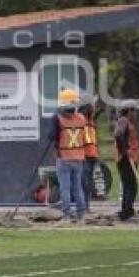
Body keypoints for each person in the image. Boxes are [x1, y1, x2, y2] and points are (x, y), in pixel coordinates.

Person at [45, 89, 87, 221]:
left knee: (65, 188)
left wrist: (55, 118)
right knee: (78, 187)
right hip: (79, 158)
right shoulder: (81, 118)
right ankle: (81, 214)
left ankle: (67, 215)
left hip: (64, 158)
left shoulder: (58, 119)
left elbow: (51, 136)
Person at [113, 100, 139, 221]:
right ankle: (127, 211)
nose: (136, 114)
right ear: (129, 110)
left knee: (128, 186)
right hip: (126, 159)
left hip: (130, 158)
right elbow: (118, 135)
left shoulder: (127, 122)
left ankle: (126, 210)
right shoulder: (123, 121)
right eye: (134, 111)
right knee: (131, 186)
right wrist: (125, 151)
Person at [79, 98, 99, 212]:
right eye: (92, 106)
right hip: (83, 156)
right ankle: (83, 206)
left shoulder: (91, 122)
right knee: (84, 182)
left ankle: (86, 205)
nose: (93, 108)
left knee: (88, 183)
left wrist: (96, 155)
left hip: (92, 156)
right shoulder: (80, 121)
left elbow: (93, 141)